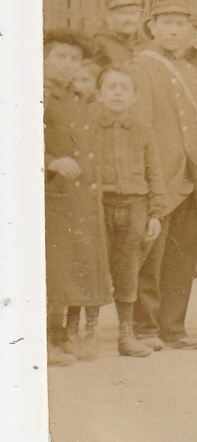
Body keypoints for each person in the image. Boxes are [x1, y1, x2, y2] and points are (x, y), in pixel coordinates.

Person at [128, 0, 197, 350]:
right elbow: (141, 128)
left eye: (181, 24)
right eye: (167, 23)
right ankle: (146, 328)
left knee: (181, 260)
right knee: (152, 257)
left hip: (187, 179)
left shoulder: (191, 72)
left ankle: (173, 328)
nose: (175, 31)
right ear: (151, 27)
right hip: (159, 179)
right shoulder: (141, 67)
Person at [44, 31, 112, 366]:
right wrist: (50, 162)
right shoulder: (31, 94)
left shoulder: (79, 98)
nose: (67, 65)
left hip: (77, 200)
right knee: (51, 271)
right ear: (45, 58)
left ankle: (65, 336)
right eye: (60, 57)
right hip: (47, 197)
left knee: (73, 267)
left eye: (73, 59)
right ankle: (44, 339)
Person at [89, 64, 162, 358]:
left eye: (124, 88)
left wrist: (155, 212)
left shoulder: (143, 130)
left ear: (134, 96)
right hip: (99, 205)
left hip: (134, 206)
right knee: (95, 268)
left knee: (128, 270)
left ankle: (126, 334)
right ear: (99, 94)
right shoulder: (90, 127)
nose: (117, 93)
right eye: (111, 87)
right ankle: (87, 331)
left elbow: (153, 172)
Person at [91, 0, 146, 66]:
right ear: (108, 17)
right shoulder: (98, 45)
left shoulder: (141, 45)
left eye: (132, 13)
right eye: (122, 13)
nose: (128, 19)